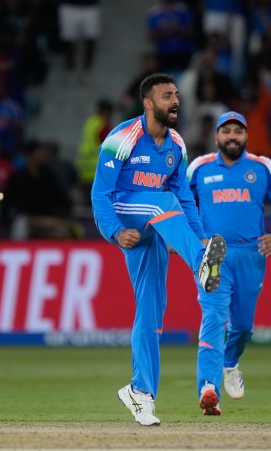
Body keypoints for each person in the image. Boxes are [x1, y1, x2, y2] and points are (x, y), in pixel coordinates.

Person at [91, 72, 227, 426]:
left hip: (153, 229)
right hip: (125, 213)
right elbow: (100, 194)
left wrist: (199, 237)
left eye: (177, 94)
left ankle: (140, 392)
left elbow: (185, 198)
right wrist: (115, 232)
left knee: (152, 313)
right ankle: (200, 263)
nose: (176, 101)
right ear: (148, 103)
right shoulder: (121, 138)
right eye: (167, 95)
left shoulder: (177, 145)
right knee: (159, 200)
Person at [186, 111, 271, 416]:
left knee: (243, 327)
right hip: (213, 254)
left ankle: (230, 363)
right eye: (226, 131)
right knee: (213, 319)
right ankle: (208, 389)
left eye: (238, 131)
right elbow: (180, 202)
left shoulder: (262, 167)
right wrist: (188, 239)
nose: (232, 136)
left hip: (251, 255)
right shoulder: (199, 168)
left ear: (246, 136)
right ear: (216, 136)